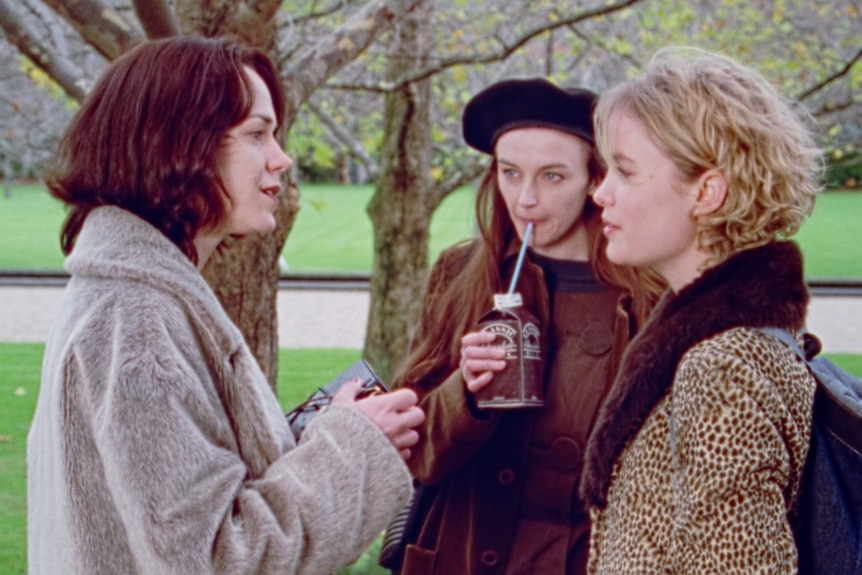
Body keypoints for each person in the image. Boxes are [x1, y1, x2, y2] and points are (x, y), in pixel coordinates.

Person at [27, 36, 424, 575]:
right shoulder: (137, 323)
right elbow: (216, 558)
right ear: (175, 144)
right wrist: (353, 447)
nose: (281, 160)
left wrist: (311, 438)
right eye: (257, 134)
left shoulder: (133, 298)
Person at [390, 78, 662, 574]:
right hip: (464, 558)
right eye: (510, 174)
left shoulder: (650, 295)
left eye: (553, 177)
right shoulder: (460, 275)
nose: (526, 200)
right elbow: (411, 450)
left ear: (595, 180)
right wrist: (466, 394)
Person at [580, 47, 822, 573]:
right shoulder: (713, 342)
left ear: (707, 192)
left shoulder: (723, 368)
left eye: (624, 171)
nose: (600, 193)